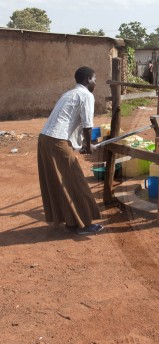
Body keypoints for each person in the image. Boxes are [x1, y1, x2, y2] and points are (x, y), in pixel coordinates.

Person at [37, 66, 103, 235]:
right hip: (56, 141)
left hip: (45, 139)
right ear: (88, 80)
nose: (95, 84)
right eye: (95, 80)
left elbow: (68, 122)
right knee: (75, 180)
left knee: (59, 182)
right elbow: (88, 125)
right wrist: (89, 146)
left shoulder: (68, 94)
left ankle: (72, 222)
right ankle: (84, 224)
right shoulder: (86, 95)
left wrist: (80, 145)